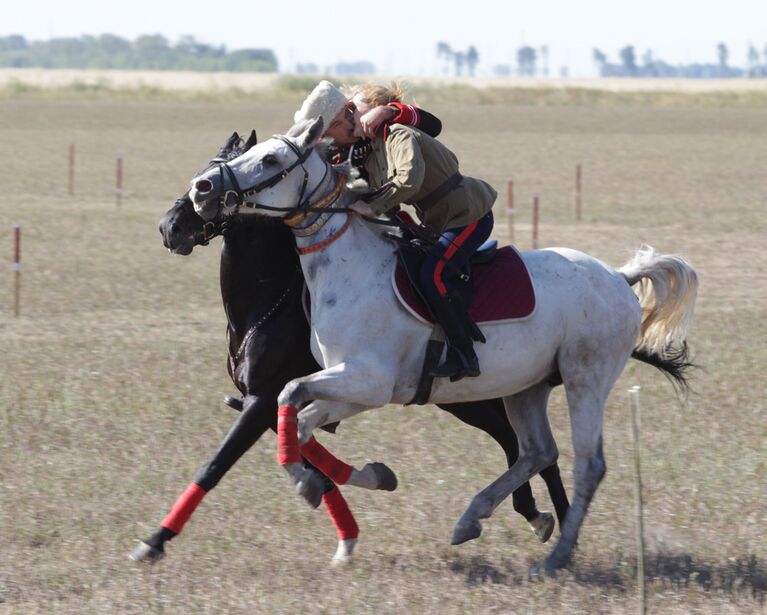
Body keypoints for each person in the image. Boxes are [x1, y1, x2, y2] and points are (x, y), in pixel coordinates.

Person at [293, 80, 494, 381]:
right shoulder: (365, 149)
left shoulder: (396, 132)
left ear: (376, 111)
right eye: (344, 116)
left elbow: (409, 178)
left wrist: (371, 207)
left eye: (355, 111)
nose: (351, 119)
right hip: (437, 220)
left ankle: (465, 354)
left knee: (433, 275)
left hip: (467, 214)